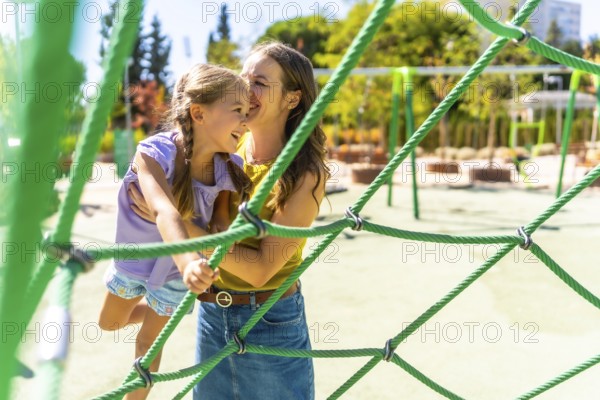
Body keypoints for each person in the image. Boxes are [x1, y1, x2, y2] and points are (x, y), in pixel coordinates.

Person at [129, 42, 330, 399]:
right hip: (213, 315)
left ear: (292, 99)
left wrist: (180, 227)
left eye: (260, 83)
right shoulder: (225, 147)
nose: (245, 90)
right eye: (243, 78)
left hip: (270, 320)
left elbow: (259, 269)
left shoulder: (304, 173)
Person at [98, 63, 252, 400]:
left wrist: (218, 244)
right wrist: (189, 264)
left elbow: (219, 225)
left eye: (248, 112)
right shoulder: (154, 154)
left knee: (148, 347)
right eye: (238, 110)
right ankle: (155, 309)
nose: (246, 120)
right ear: (199, 113)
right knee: (109, 323)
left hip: (172, 275)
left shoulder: (229, 167)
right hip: (137, 261)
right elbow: (163, 211)